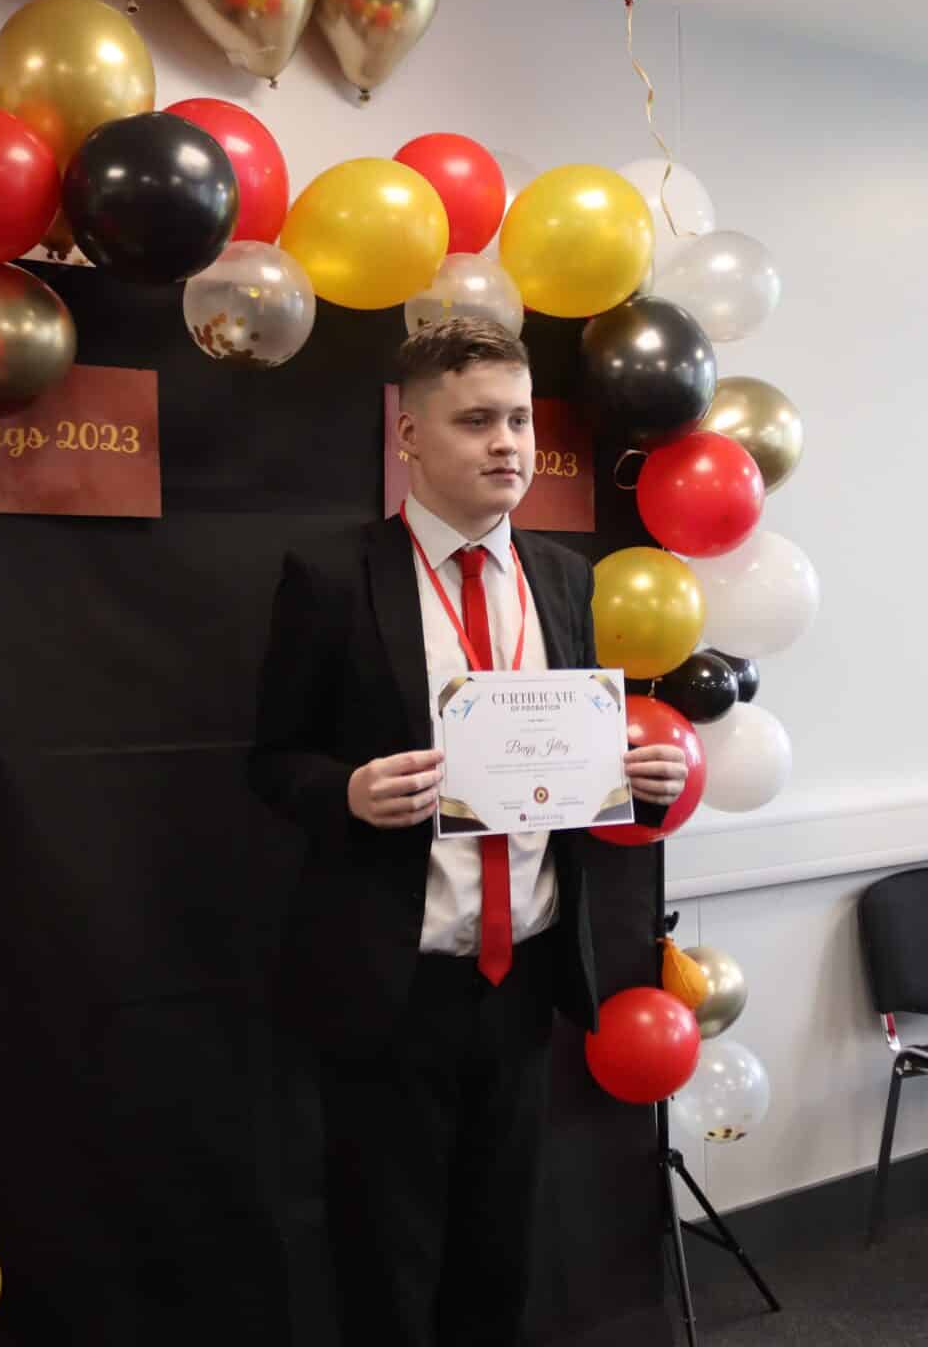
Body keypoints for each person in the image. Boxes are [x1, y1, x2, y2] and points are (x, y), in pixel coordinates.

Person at [249, 317, 689, 1345]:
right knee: (383, 1255)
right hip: (392, 977)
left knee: (501, 1246)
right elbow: (271, 764)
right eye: (477, 420)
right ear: (408, 436)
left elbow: (577, 777)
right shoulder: (329, 575)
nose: (507, 443)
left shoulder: (566, 578)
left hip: (525, 972)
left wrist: (646, 782)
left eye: (521, 419)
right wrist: (346, 791)